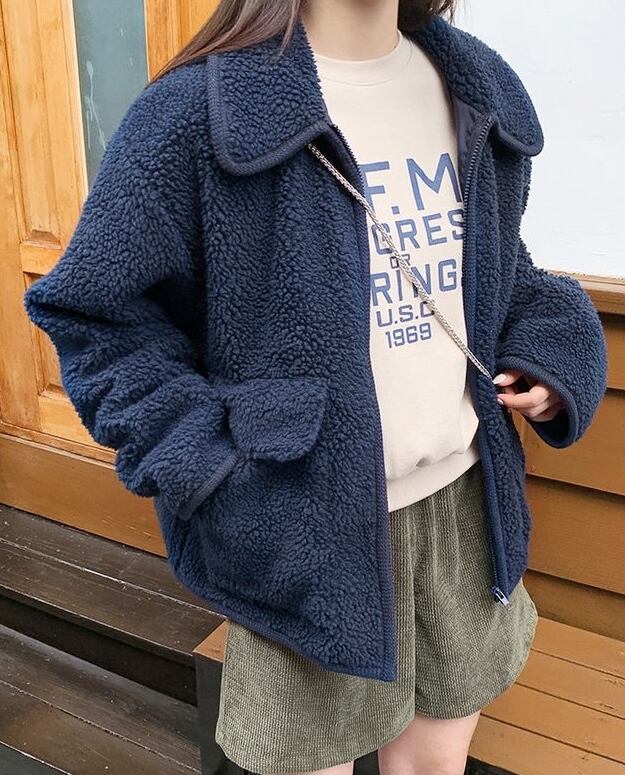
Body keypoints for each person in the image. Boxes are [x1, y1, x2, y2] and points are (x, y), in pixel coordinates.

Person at [23, 1, 608, 774]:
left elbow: (500, 272)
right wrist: (208, 467)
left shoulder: (474, 88)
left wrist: (546, 355)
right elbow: (97, 313)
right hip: (300, 525)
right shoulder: (196, 112)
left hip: (465, 514)